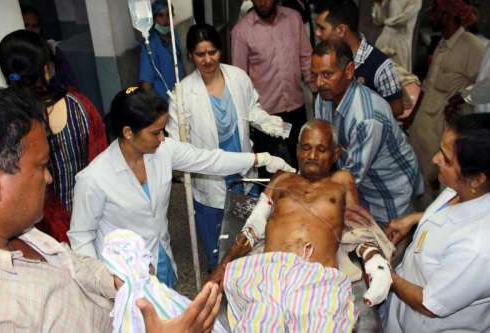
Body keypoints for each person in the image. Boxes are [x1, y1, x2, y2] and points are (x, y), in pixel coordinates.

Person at [0, 87, 221, 333]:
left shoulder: (29, 236)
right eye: (41, 166)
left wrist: (114, 280)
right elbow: (82, 236)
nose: (48, 178)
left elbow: (74, 266)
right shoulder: (3, 314)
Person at [68, 87, 293, 288]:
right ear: (128, 133)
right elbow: (81, 238)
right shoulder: (94, 179)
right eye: (155, 132)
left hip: (161, 259)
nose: (162, 138)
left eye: (163, 130)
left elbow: (210, 160)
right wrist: (106, 283)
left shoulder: (162, 151)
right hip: (122, 277)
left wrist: (260, 159)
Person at [208, 120, 393, 331]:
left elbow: (358, 228)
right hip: (270, 273)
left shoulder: (341, 181)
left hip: (318, 278)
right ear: (297, 150)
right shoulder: (281, 179)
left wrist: (375, 263)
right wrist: (222, 267)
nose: (312, 155)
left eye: (321, 149)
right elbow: (254, 225)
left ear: (335, 155)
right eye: (306, 148)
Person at [166, 23, 290, 271]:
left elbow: (251, 107)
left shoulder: (237, 77)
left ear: (220, 51)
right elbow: (177, 143)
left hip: (243, 169)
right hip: (209, 177)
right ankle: (219, 276)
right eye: (200, 54)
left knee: (248, 232)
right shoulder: (183, 94)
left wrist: (268, 123)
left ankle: (250, 273)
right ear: (191, 56)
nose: (207, 59)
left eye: (212, 52)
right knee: (217, 242)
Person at [0, 29, 107, 243]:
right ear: (46, 69)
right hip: (86, 219)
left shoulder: (1, 120)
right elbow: (101, 160)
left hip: (30, 235)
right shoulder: (79, 106)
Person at [383, 113, 490, 332]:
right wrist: (416, 219)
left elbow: (430, 304)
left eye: (447, 159)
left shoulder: (479, 248)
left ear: (477, 179)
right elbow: (451, 219)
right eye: (441, 150)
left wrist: (385, 276)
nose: (435, 159)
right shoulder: (462, 189)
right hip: (404, 315)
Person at [313, 42, 423, 225]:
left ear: (349, 71)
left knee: (388, 247)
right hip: (362, 189)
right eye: (315, 75)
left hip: (390, 195)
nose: (318, 83)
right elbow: (325, 147)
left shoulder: (366, 117)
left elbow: (350, 177)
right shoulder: (323, 99)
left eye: (327, 74)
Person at [408, 0, 485, 204]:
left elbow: (483, 84)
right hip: (422, 127)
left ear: (450, 16)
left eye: (437, 12)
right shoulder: (442, 43)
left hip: (442, 127)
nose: (432, 16)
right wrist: (412, 118)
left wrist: (459, 98)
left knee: (443, 180)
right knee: (418, 178)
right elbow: (426, 86)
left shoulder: (473, 46)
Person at [231, 0, 313, 166]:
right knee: (268, 168)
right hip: (264, 115)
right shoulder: (241, 31)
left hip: (295, 107)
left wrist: (316, 90)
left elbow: (306, 57)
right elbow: (238, 77)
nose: (262, 2)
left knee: (303, 160)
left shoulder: (294, 19)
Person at [314, 0, 404, 118]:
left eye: (322, 28)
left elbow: (397, 109)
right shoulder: (327, 57)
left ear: (341, 30)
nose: (317, 33)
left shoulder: (379, 65)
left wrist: (361, 115)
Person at [20, 5, 77, 90]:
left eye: (35, 26)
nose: (30, 30)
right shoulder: (17, 53)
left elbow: (69, 82)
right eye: (26, 25)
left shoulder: (51, 49)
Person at [139, 0, 184, 102]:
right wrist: (154, 107)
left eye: (169, 15)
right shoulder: (149, 43)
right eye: (161, 15)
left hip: (180, 93)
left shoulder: (174, 35)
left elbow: (180, 64)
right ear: (154, 19)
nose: (166, 19)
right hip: (163, 98)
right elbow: (146, 82)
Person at [372, 0, 422, 72]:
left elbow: (404, 19)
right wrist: (378, 4)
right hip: (384, 39)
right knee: (375, 73)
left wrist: (386, 22)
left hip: (400, 43)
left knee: (398, 77)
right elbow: (378, 21)